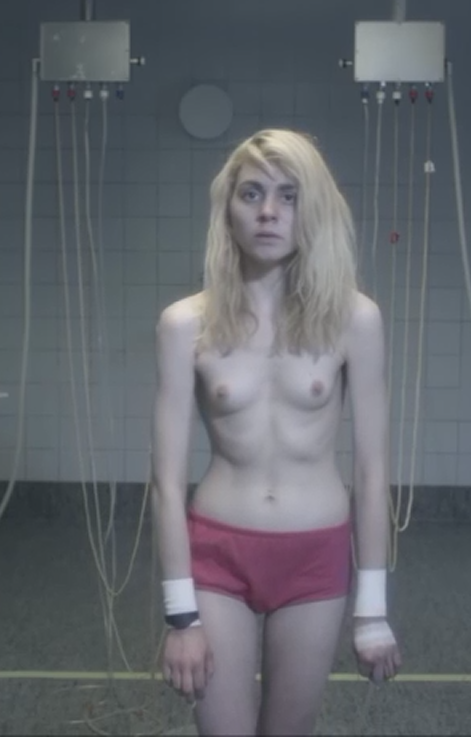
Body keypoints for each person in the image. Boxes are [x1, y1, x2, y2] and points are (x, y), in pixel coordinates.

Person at [151, 128, 402, 735]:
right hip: (218, 554)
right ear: (228, 210)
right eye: (252, 194)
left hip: (315, 555)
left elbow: (372, 474)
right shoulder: (184, 324)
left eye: (289, 195)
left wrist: (372, 611)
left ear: (312, 210)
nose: (269, 211)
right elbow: (165, 483)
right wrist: (180, 618)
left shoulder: (355, 319)